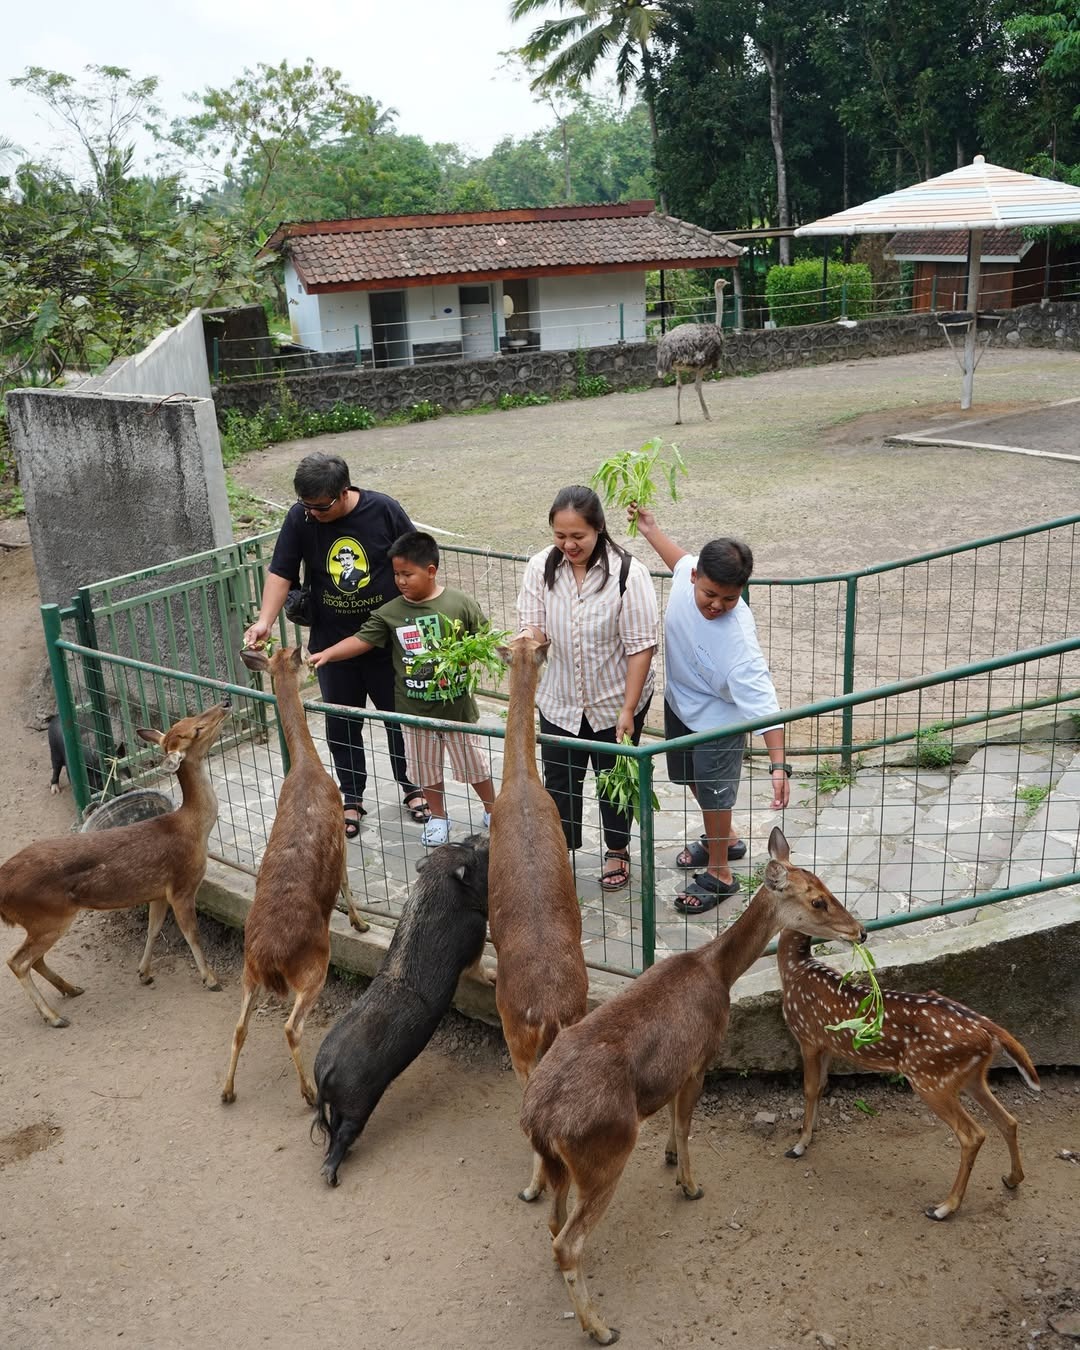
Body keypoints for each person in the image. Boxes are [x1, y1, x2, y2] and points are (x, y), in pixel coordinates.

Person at [242, 452, 430, 838]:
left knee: (400, 719)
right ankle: (352, 795)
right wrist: (264, 621)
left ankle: (412, 785)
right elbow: (281, 570)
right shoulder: (301, 517)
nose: (312, 514)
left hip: (387, 642)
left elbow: (417, 559)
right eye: (305, 506)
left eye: (320, 507)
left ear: (344, 492)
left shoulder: (383, 510)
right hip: (331, 643)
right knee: (342, 724)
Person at [632, 503, 791, 914]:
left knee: (716, 795)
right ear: (694, 578)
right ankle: (728, 839)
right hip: (681, 703)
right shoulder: (686, 576)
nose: (717, 605)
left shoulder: (741, 648)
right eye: (710, 593)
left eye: (730, 598)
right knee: (688, 778)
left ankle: (721, 872)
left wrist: (778, 766)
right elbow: (676, 554)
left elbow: (766, 707)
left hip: (720, 722)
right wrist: (649, 528)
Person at [309, 530, 496, 847]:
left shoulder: (459, 603)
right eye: (396, 574)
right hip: (414, 711)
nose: (400, 581)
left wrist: (474, 654)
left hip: (456, 709)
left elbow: (484, 639)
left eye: (407, 574)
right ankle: (438, 817)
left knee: (474, 764)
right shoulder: (391, 612)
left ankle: (494, 810)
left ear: (431, 570)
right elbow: (362, 640)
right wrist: (328, 653)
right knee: (425, 769)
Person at [517, 485, 659, 890]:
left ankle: (618, 849)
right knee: (560, 779)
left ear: (598, 528)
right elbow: (534, 623)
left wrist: (628, 709)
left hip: (615, 697)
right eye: (560, 536)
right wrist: (525, 641)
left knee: (614, 777)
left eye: (577, 536)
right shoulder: (541, 566)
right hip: (560, 699)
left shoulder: (628, 573)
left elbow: (640, 647)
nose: (568, 545)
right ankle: (560, 853)